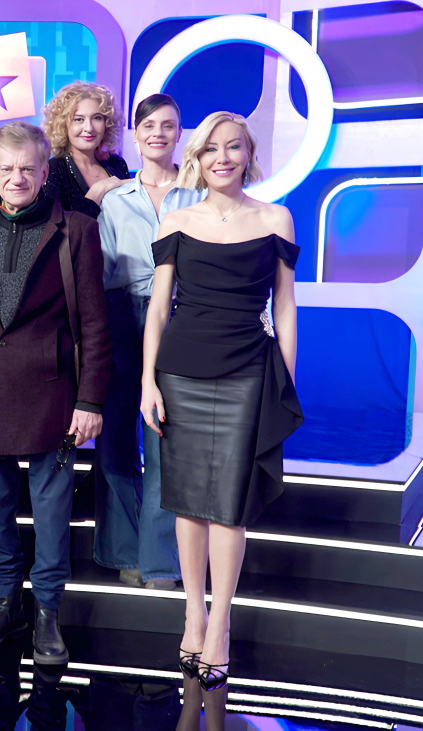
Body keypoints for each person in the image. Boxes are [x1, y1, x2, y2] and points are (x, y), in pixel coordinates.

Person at [139, 112, 302, 708]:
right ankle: (193, 616)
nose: (223, 158)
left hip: (247, 372)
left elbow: (285, 307)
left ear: (248, 155)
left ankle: (221, 624)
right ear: (198, 159)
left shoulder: (275, 218)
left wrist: (284, 381)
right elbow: (158, 309)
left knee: (229, 506)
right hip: (181, 370)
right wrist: (147, 382)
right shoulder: (177, 219)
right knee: (187, 502)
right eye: (212, 149)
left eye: (234, 148)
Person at [0, 122, 111, 665]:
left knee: (51, 511)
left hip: (54, 391)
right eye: (7, 168)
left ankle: (48, 612)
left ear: (45, 171)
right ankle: (6, 604)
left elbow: (95, 323)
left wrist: (90, 400)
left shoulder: (77, 230)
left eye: (28, 168)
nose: (17, 177)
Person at [93, 94, 204, 590]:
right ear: (135, 136)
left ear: (179, 134)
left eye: (168, 125)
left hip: (179, 317)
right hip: (122, 315)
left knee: (165, 437)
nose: (158, 133)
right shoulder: (115, 200)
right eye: (149, 125)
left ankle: (159, 560)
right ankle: (123, 550)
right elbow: (100, 271)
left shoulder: (198, 195)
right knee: (116, 438)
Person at [41, 82, 131, 219]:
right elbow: (58, 226)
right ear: (63, 125)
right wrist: (99, 190)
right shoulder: (54, 170)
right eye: (78, 119)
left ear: (107, 123)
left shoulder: (117, 163)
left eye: (97, 118)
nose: (89, 128)